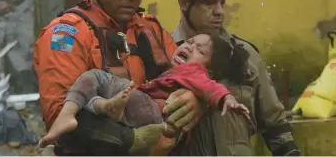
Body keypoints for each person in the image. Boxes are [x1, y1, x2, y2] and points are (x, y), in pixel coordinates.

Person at [33, 0, 203, 155]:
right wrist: (134, 140)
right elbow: (60, 118)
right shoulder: (65, 34)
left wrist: (194, 100)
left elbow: (187, 76)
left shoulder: (148, 27)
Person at [161, 0, 300, 156]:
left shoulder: (245, 55)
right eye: (209, 3)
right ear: (183, 2)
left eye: (222, 1)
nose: (220, 11)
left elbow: (276, 126)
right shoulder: (164, 55)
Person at [38, 33, 251, 150]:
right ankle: (109, 108)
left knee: (97, 77)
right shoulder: (68, 30)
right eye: (189, 41)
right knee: (93, 104)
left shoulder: (191, 68)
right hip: (141, 120)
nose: (188, 46)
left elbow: (210, 85)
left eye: (199, 50)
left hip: (147, 110)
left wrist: (217, 100)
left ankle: (99, 109)